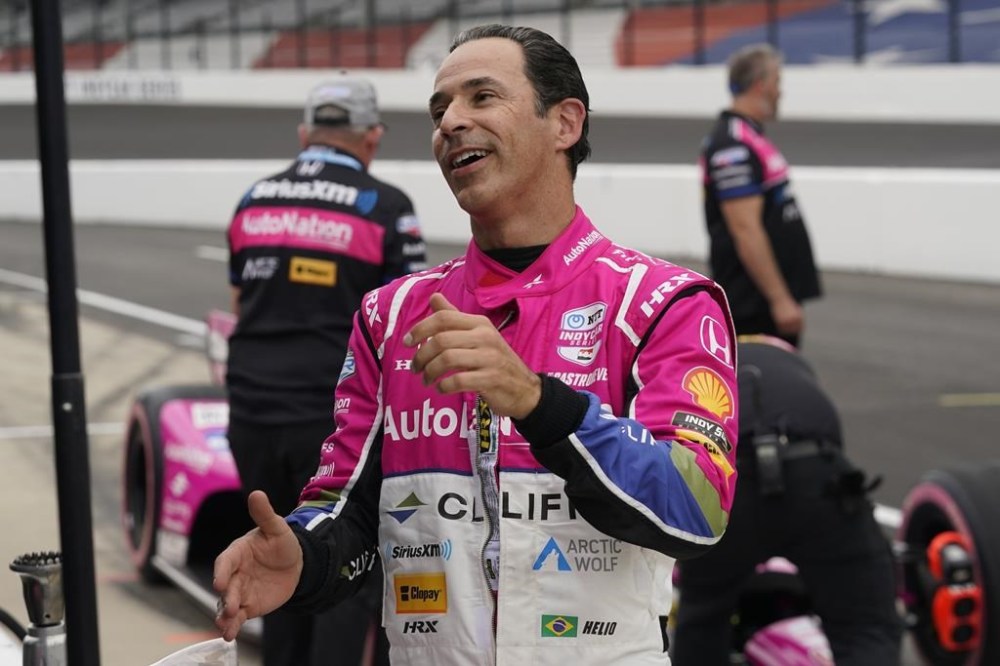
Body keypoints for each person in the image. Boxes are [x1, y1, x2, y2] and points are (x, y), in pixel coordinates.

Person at [215, 25, 739, 665]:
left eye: (481, 97)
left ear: (565, 123)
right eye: (440, 110)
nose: (450, 123)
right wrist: (302, 557)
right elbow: (347, 511)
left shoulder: (664, 302)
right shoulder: (391, 315)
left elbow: (698, 509)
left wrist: (537, 402)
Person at [224, 75, 427, 666]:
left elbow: (239, 303)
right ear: (372, 137)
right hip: (333, 419)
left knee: (274, 559)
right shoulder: (387, 207)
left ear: (304, 133)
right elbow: (402, 325)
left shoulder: (253, 199)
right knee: (341, 569)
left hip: (252, 409)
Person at [671, 334, 902, 665]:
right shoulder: (793, 369)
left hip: (731, 486)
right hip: (815, 476)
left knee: (704, 616)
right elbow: (835, 444)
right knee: (865, 625)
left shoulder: (696, 367)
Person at [699, 43, 821, 348]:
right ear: (761, 85)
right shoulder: (733, 145)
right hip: (754, 304)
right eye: (778, 82)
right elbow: (745, 229)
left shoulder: (747, 136)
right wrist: (779, 299)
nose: (781, 92)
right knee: (763, 389)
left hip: (763, 299)